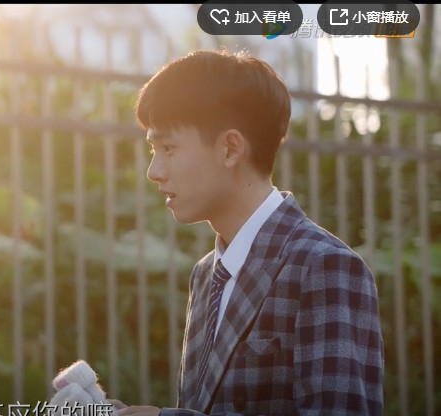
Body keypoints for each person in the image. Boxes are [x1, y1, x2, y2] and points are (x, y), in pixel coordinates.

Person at [110, 49, 384, 415]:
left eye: (168, 148)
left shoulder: (324, 266)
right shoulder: (207, 274)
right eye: (153, 150)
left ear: (230, 149)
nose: (154, 171)